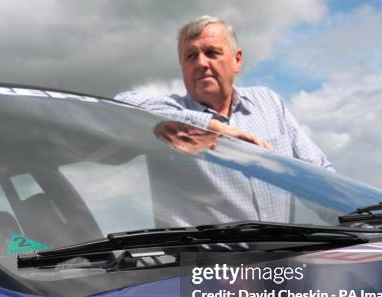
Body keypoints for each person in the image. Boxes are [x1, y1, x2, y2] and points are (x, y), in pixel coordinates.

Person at [115, 16, 333, 225]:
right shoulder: (168, 114)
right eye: (191, 56)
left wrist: (365, 227)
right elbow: (122, 103)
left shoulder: (269, 102)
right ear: (182, 66)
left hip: (282, 256)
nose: (201, 63)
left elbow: (318, 177)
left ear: (237, 60)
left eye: (211, 52)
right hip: (205, 262)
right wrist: (208, 126)